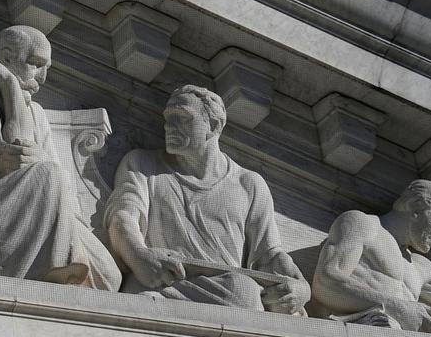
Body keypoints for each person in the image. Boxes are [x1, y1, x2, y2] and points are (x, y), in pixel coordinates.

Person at [0, 25, 120, 288]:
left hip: (25, 204)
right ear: (6, 57)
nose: (44, 77)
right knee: (49, 175)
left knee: (109, 278)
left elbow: (61, 191)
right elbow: (11, 156)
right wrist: (10, 87)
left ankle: (51, 267)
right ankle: (48, 277)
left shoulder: (34, 112)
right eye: (36, 64)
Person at [104, 84, 308, 313]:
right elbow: (123, 217)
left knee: (243, 292)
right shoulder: (141, 164)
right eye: (168, 118)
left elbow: (269, 255)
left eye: (182, 118)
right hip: (161, 281)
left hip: (226, 292)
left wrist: (301, 289)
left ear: (214, 125)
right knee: (241, 293)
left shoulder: (248, 184)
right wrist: (138, 255)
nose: (169, 127)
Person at [312, 179, 431, 333]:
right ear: (414, 206)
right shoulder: (362, 224)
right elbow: (325, 282)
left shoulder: (420, 266)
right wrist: (398, 308)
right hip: (362, 331)